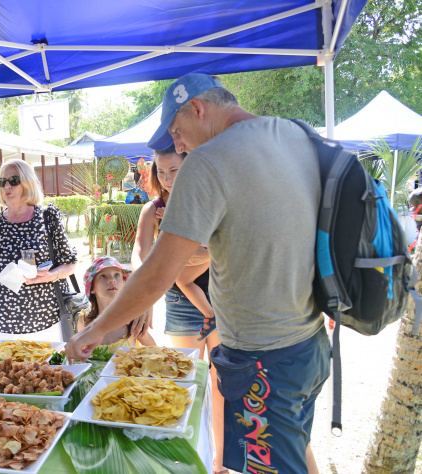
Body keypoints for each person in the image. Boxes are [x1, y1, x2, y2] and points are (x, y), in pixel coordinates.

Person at [66, 73, 329, 474]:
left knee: (272, 464)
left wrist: (93, 329)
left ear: (199, 109)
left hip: (263, 354)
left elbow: (157, 273)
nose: (178, 145)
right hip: (310, 341)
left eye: (176, 131)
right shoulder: (295, 134)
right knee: (293, 446)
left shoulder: (209, 161)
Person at [131, 146, 225, 473]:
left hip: (224, 300)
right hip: (182, 304)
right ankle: (191, 459)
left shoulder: (212, 200)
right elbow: (140, 257)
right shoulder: (153, 210)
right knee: (188, 384)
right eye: (162, 171)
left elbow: (230, 244)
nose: (168, 179)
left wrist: (193, 254)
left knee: (222, 384)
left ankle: (221, 461)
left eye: (175, 170)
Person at [0, 159, 77, 341]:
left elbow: (70, 264)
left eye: (13, 180)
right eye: (1, 182)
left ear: (27, 182)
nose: (7, 186)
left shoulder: (47, 216)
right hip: (7, 325)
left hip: (50, 321)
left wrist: (51, 275)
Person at [78, 256, 156, 348]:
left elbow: (155, 351)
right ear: (92, 288)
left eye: (117, 275)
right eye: (102, 276)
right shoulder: (84, 321)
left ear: (124, 282)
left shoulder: (132, 319)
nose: (112, 280)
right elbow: (81, 355)